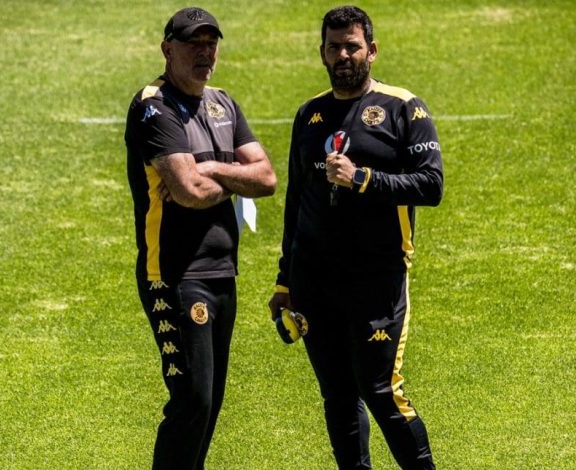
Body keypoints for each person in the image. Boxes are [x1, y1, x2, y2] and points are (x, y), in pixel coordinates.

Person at [268, 6, 442, 470]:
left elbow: (431, 186)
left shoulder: (405, 108)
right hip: (315, 283)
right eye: (333, 47)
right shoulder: (310, 114)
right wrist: (285, 281)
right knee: (338, 396)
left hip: (377, 279)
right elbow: (295, 203)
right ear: (322, 52)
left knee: (381, 390)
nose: (343, 55)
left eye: (352, 46)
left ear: (372, 50)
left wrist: (363, 178)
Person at [125, 7, 276, 470]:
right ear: (167, 48)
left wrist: (211, 167)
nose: (204, 52)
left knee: (207, 405)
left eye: (211, 43)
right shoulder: (154, 106)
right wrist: (231, 176)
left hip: (222, 272)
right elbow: (187, 192)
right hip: (172, 273)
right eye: (194, 43)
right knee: (192, 399)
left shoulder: (223, 103)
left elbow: (267, 178)